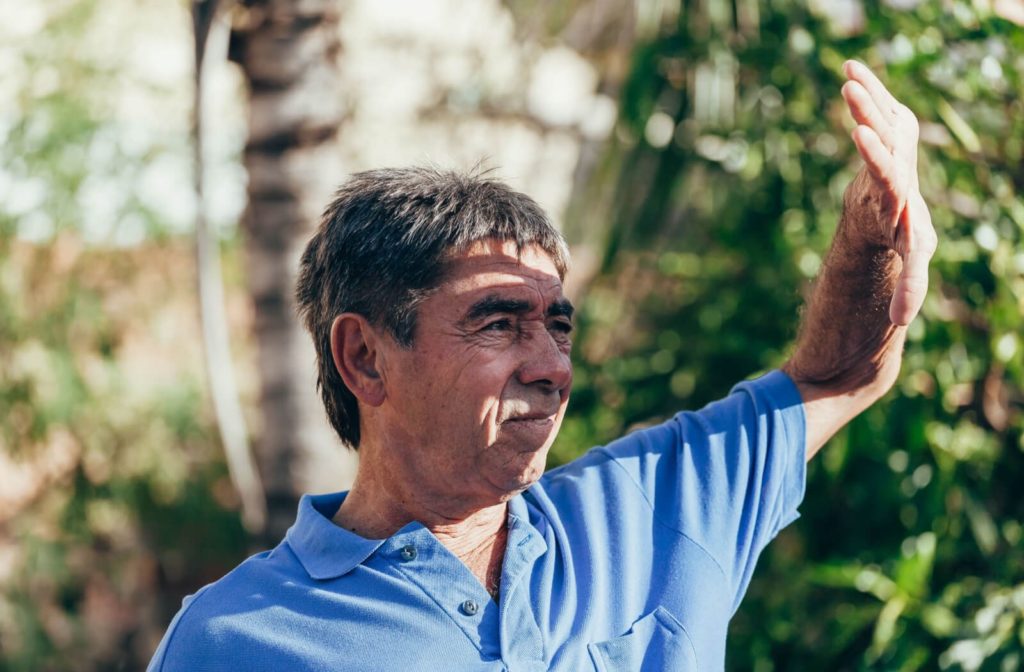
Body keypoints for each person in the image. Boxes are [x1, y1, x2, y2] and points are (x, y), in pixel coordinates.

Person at [147, 60, 936, 671]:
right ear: (365, 356)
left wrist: (872, 232)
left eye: (558, 327)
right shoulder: (236, 638)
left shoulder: (648, 512)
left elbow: (838, 375)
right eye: (498, 323)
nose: (552, 367)